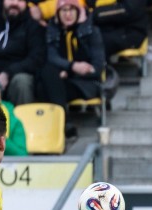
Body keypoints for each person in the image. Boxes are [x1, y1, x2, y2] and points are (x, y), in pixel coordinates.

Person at [40, 0, 105, 136]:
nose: (68, 14)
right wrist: (73, 67)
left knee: (46, 86)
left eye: (71, 10)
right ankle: (63, 123)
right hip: (64, 81)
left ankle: (62, 123)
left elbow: (97, 67)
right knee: (45, 75)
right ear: (57, 14)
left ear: (78, 12)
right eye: (64, 10)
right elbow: (52, 57)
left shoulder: (91, 31)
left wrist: (69, 72)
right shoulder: (54, 32)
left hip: (87, 82)